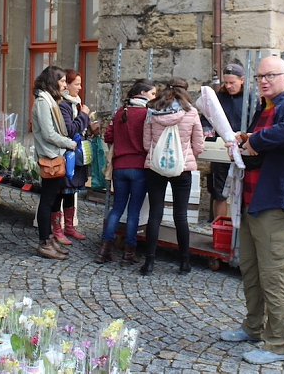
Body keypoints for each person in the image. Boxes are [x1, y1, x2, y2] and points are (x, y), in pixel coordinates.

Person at [219, 55, 284, 366]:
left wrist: (255, 139)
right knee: (251, 271)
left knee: (274, 277)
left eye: (271, 75)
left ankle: (278, 345)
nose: (265, 81)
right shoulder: (265, 108)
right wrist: (244, 144)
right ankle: (253, 327)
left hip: (275, 205)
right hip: (253, 202)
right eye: (260, 77)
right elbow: (261, 154)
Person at [141, 77, 205, 276]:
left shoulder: (152, 111)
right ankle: (184, 262)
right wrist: (187, 155)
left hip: (156, 168)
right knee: (180, 215)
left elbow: (146, 144)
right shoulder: (192, 112)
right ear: (185, 91)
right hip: (182, 169)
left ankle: (149, 262)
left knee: (155, 214)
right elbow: (199, 145)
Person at [97, 79, 157, 265]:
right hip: (139, 168)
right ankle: (129, 254)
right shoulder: (147, 114)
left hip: (120, 167)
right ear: (143, 93)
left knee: (117, 208)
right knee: (134, 212)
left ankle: (104, 250)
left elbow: (108, 136)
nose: (155, 97)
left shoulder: (120, 112)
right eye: (153, 94)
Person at [32, 65, 77, 260]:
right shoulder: (43, 101)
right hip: (49, 157)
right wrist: (70, 143)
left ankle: (49, 239)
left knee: (51, 200)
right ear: (53, 81)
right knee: (47, 201)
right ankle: (44, 242)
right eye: (62, 81)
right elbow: (49, 133)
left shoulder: (50, 100)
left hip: (55, 155)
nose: (65, 84)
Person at [53, 69, 96, 245]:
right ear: (67, 85)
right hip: (66, 155)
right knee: (61, 191)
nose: (80, 87)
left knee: (71, 191)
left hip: (76, 155)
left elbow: (79, 127)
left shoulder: (76, 103)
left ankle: (69, 227)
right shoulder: (63, 105)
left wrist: (91, 125)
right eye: (76, 83)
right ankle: (57, 229)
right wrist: (84, 115)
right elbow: (70, 130)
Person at [200, 63, 247, 221]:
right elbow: (206, 118)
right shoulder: (219, 97)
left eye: (232, 83)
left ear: (242, 80)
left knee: (243, 190)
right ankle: (217, 227)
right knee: (219, 191)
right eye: (225, 82)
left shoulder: (251, 98)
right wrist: (207, 131)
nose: (228, 86)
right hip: (222, 149)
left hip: (244, 149)